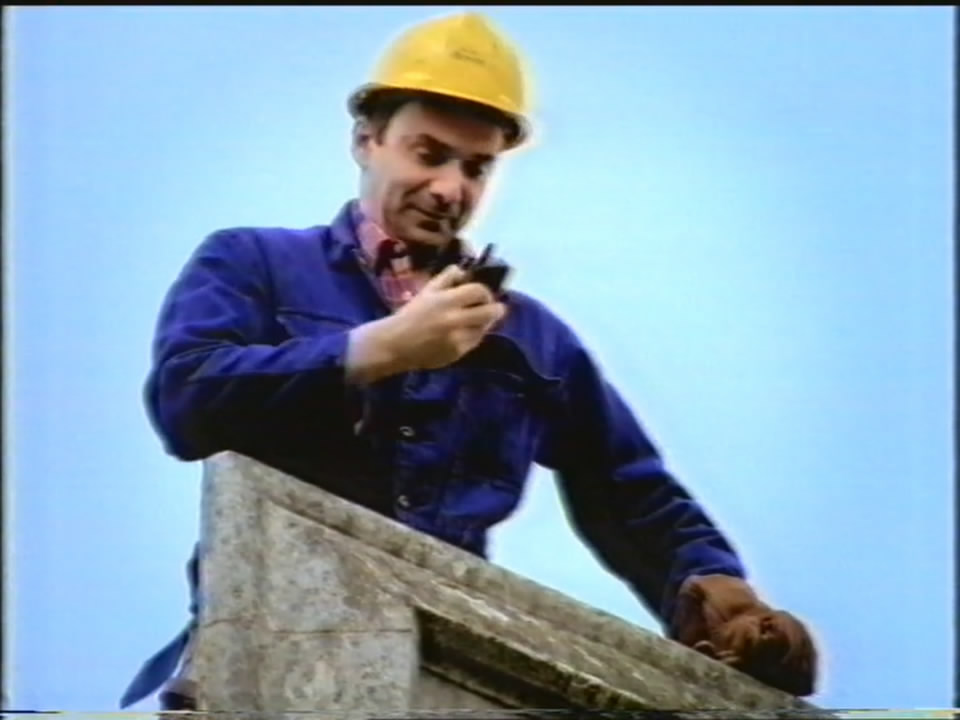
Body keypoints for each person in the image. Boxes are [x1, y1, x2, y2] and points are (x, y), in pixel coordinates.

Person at [120, 11, 818, 711]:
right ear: (366, 140)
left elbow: (633, 493)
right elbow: (187, 399)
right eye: (428, 154)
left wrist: (726, 601)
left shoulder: (532, 341)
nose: (451, 188)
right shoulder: (255, 263)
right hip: (271, 652)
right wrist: (379, 349)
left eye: (476, 167)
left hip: (438, 672)